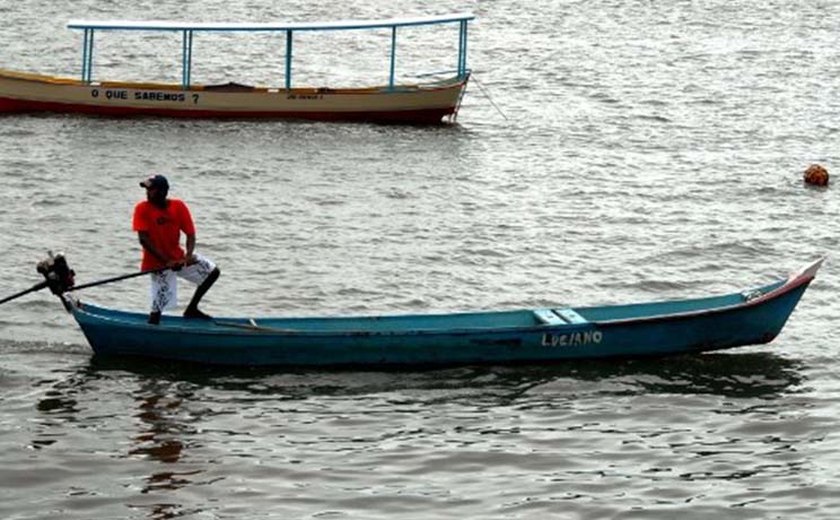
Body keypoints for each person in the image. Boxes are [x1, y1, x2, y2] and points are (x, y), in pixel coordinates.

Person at [132, 174, 220, 324]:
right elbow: (143, 240)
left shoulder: (178, 206)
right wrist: (166, 262)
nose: (147, 193)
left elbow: (190, 234)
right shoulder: (142, 209)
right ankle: (152, 330)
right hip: (157, 263)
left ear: (163, 191)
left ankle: (192, 309)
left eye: (151, 190)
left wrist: (188, 256)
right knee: (159, 305)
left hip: (178, 258)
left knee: (212, 272)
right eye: (147, 190)